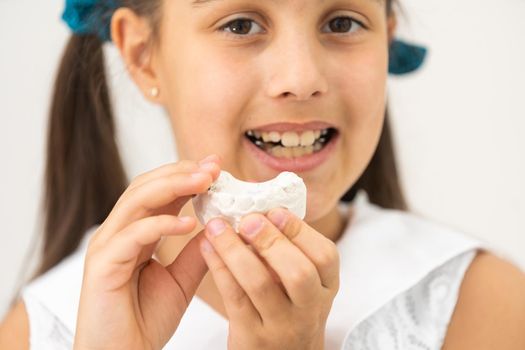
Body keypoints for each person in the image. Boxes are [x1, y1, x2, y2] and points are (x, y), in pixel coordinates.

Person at [1, 0, 525, 349]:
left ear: (386, 43)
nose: (301, 79)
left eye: (341, 22)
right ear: (144, 57)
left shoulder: (478, 303)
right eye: (240, 24)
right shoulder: (46, 326)